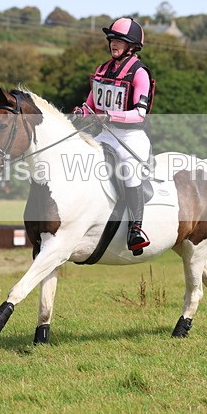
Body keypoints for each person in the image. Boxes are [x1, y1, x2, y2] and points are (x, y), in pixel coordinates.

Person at [73, 17, 155, 255]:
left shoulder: (140, 74)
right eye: (111, 39)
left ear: (132, 46)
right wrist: (81, 112)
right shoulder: (102, 69)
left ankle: (135, 229)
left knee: (129, 169)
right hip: (106, 134)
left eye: (119, 40)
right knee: (82, 159)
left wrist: (109, 115)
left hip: (132, 136)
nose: (113, 43)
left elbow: (140, 114)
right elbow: (91, 104)